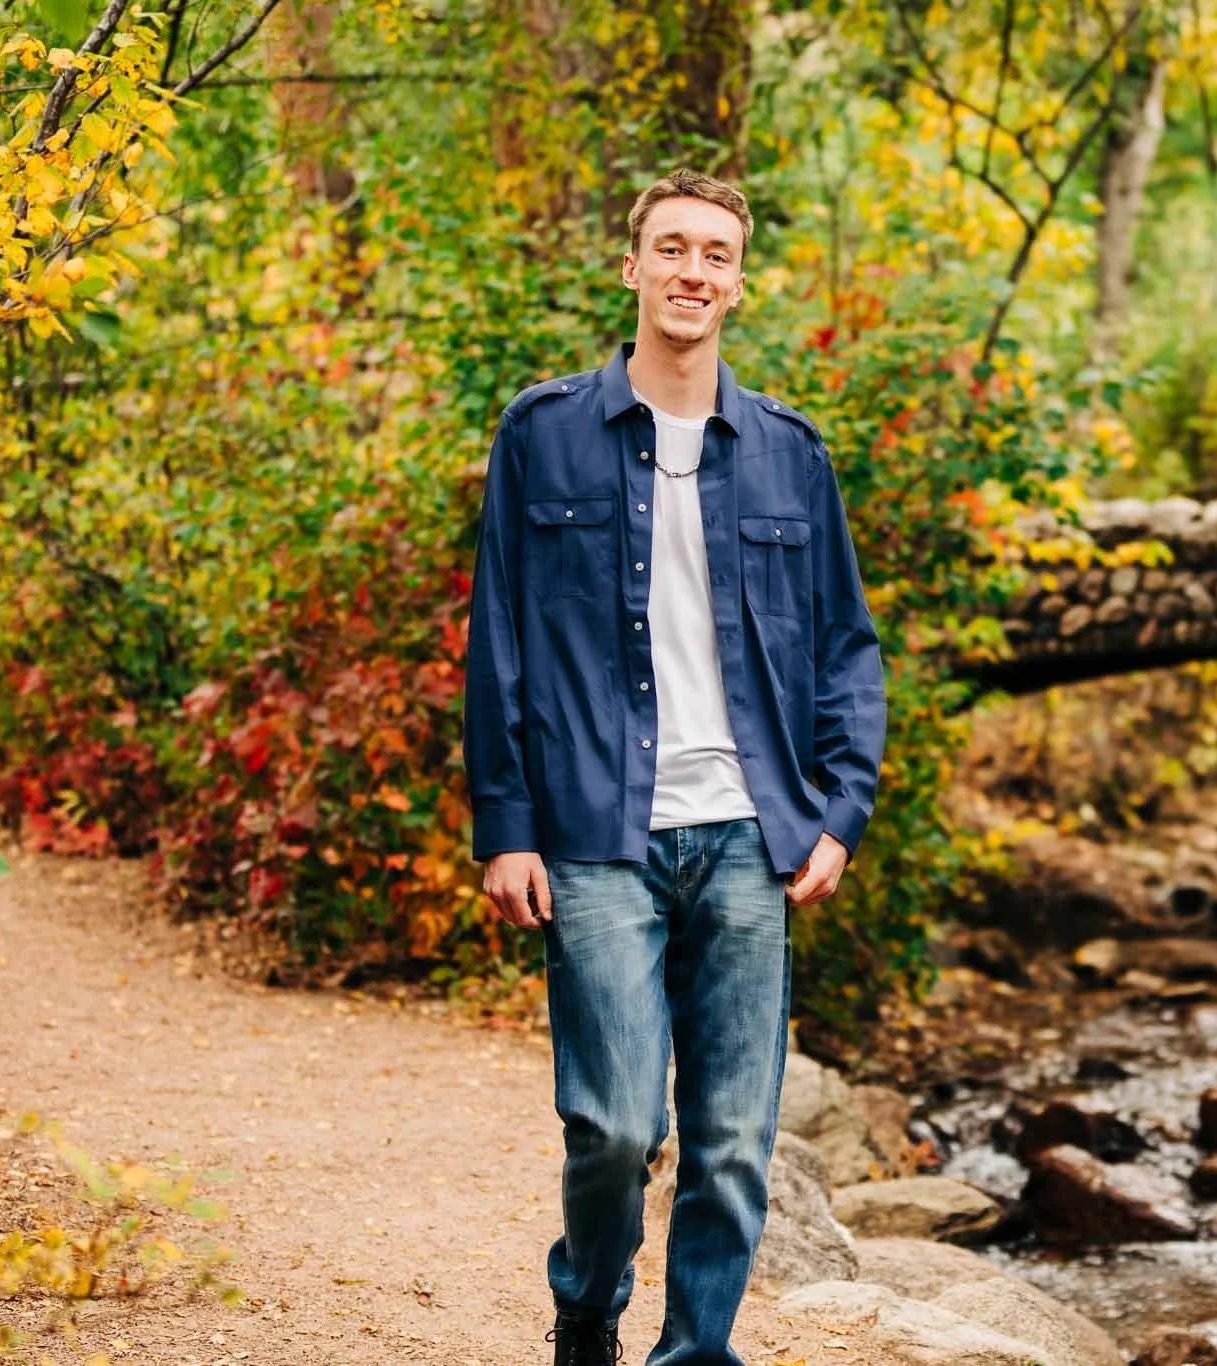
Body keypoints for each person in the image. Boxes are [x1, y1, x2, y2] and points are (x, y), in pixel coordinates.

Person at [461, 169, 887, 1366]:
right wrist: (505, 824)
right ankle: (587, 1320)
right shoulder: (542, 434)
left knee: (736, 1140)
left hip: (752, 838)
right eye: (672, 248)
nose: (693, 271)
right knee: (609, 1123)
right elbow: (498, 636)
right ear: (632, 265)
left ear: (737, 282)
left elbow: (849, 648)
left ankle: (695, 1353)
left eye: (715, 254)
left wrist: (837, 813)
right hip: (595, 831)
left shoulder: (790, 455)